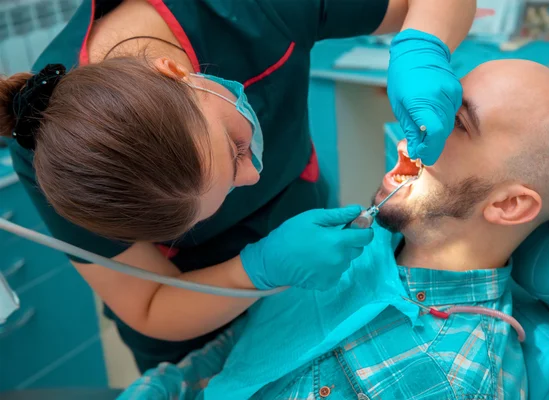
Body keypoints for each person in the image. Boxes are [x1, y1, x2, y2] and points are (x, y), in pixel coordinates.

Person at [0, 0, 475, 372]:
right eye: (223, 193)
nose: (252, 176)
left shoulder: (245, 6)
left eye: (235, 146)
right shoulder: (54, 151)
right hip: (196, 326)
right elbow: (147, 302)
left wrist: (422, 47)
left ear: (173, 71)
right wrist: (258, 269)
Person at [117, 59, 549, 399]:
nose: (417, 126)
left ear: (511, 204)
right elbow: (228, 362)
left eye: (456, 122)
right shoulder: (352, 254)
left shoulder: (447, 380)